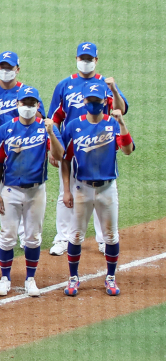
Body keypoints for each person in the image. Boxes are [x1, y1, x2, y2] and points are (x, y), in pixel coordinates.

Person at [47, 42, 128, 257]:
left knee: (104, 193)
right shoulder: (65, 85)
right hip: (72, 147)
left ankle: (103, 240)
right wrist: (52, 147)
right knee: (66, 194)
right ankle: (63, 238)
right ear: (76, 59)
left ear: (96, 60)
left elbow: (122, 109)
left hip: (101, 147)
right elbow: (54, 119)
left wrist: (114, 89)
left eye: (89, 58)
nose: (85, 61)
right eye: (82, 58)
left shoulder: (105, 85)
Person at [59, 82, 133, 297]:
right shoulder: (73, 126)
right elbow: (65, 159)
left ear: (104, 102)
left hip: (107, 188)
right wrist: (66, 190)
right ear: (84, 101)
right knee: (76, 235)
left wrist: (122, 123)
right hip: (82, 188)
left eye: (98, 101)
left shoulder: (112, 123)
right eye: (90, 101)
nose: (94, 104)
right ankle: (73, 278)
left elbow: (127, 150)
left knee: (110, 236)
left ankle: (110, 278)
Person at [0, 86, 61, 298]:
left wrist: (51, 132)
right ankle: (5, 278)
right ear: (17, 104)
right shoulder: (5, 130)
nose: (28, 107)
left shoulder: (46, 128)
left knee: (33, 237)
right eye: (24, 103)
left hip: (36, 191)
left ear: (38, 106)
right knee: (7, 236)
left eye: (32, 104)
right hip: (11, 189)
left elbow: (60, 155)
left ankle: (30, 279)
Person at [0, 51, 40, 252]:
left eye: (9, 67)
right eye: (2, 67)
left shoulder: (27, 93)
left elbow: (38, 118)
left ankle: (22, 234)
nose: (5, 71)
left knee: (20, 193)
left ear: (17, 69)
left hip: (22, 152)